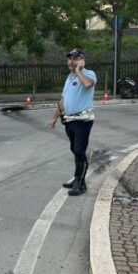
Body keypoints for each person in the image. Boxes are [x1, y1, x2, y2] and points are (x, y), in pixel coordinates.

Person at [48, 48, 97, 196]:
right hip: (69, 121)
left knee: (79, 152)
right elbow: (63, 100)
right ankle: (77, 178)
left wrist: (79, 71)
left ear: (82, 60)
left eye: (75, 58)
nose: (71, 61)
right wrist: (54, 117)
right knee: (75, 151)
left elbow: (88, 85)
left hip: (83, 121)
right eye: (69, 59)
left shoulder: (88, 74)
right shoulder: (69, 78)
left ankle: (80, 184)